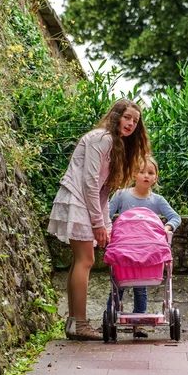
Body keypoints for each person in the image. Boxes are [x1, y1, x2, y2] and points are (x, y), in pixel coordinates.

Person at [48, 99, 151, 340]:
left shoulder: (114, 144)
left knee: (81, 260)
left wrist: (105, 225)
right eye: (127, 117)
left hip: (85, 201)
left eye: (135, 121)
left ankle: (75, 323)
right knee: (85, 260)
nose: (131, 124)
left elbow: (104, 191)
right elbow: (90, 182)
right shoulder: (102, 138)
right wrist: (98, 223)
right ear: (116, 116)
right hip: (78, 198)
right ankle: (80, 324)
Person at [106, 156, 181, 338]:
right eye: (141, 172)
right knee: (119, 285)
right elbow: (106, 214)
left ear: (155, 178)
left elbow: (175, 217)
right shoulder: (121, 195)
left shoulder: (157, 200)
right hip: (125, 248)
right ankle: (110, 318)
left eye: (150, 173)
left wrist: (167, 227)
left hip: (146, 250)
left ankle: (139, 324)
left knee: (141, 287)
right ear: (133, 174)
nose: (146, 176)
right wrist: (108, 230)